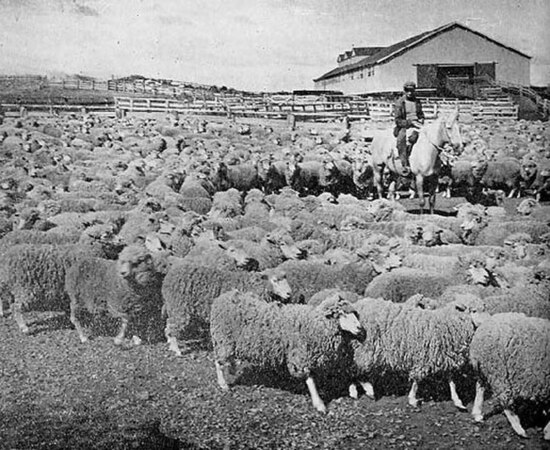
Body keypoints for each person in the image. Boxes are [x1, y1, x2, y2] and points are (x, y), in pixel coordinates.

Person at [393, 81, 425, 176]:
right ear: (404, 91)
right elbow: (398, 120)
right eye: (407, 90)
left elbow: (421, 114)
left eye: (411, 90)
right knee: (401, 140)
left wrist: (421, 120)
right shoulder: (400, 103)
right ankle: (405, 164)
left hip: (418, 125)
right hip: (405, 126)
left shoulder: (417, 101)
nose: (409, 93)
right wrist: (410, 122)